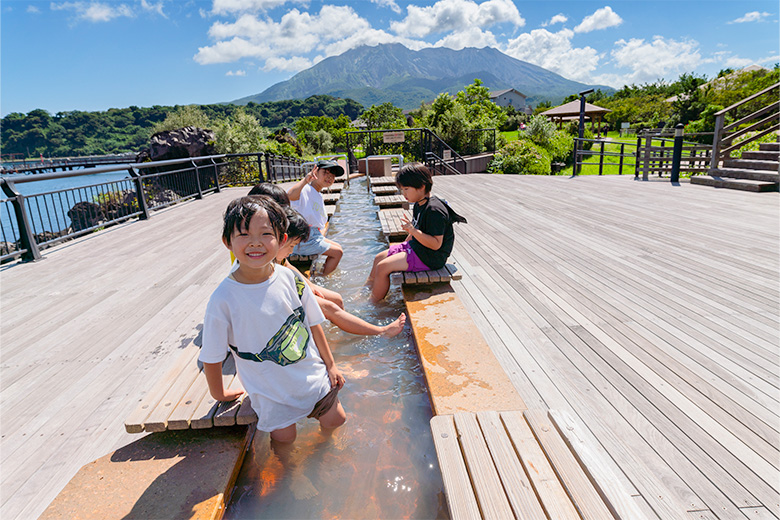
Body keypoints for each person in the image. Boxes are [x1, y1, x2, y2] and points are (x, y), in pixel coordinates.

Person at [200, 195, 346, 443]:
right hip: (272, 393)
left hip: (311, 378)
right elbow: (212, 356)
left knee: (336, 422)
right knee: (285, 443)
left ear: (282, 240)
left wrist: (330, 364)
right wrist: (220, 393)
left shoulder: (291, 279)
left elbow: (312, 321)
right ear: (228, 242)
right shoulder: (223, 299)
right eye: (243, 234)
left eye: (266, 234)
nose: (255, 243)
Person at [280, 207, 406, 337]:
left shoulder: (280, 255)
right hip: (284, 292)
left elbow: (288, 266)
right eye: (292, 246)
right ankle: (382, 331)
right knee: (330, 308)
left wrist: (309, 284)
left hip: (292, 284)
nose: (292, 251)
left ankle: (344, 331)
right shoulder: (270, 259)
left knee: (337, 299)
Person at [366, 162, 466, 303]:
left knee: (383, 267)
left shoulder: (434, 210)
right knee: (378, 258)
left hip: (431, 257)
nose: (403, 193)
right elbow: (416, 230)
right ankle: (366, 289)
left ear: (422, 186)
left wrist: (412, 231)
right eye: (402, 189)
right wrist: (403, 246)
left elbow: (436, 244)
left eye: (406, 189)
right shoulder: (420, 204)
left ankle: (373, 302)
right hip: (418, 249)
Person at [287, 160, 344, 275]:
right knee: (338, 252)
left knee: (338, 246)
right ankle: (323, 278)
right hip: (303, 239)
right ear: (315, 172)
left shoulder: (317, 193)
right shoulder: (305, 189)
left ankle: (323, 272)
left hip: (312, 236)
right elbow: (290, 196)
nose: (329, 177)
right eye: (325, 173)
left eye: (332, 175)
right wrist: (305, 180)